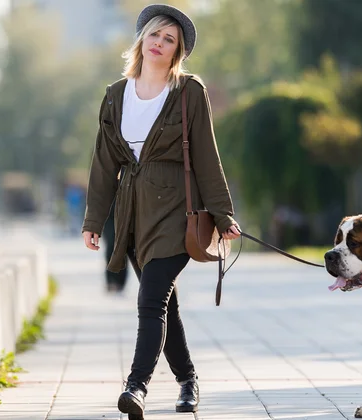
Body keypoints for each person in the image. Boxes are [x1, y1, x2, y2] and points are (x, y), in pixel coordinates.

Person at [81, 4, 240, 419]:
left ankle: (136, 387)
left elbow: (207, 156)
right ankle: (188, 381)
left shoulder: (189, 92)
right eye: (155, 35)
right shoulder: (115, 96)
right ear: (142, 39)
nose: (160, 43)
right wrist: (94, 221)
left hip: (177, 211)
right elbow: (103, 164)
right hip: (132, 213)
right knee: (164, 304)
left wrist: (223, 215)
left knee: (150, 299)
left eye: (170, 39)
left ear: (178, 52)